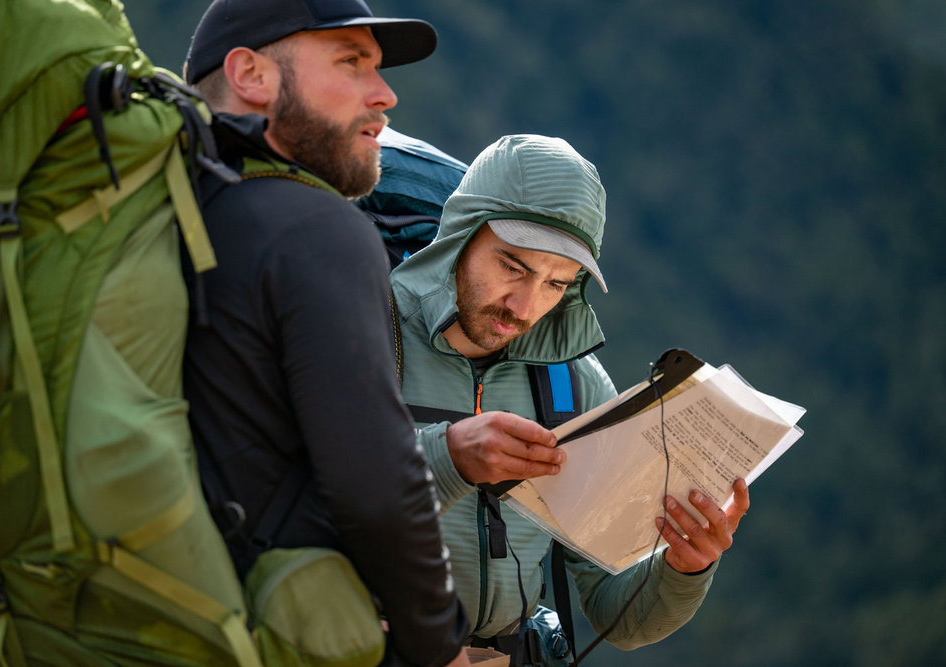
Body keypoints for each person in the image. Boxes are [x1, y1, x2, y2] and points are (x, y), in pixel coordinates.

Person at [180, 1, 469, 665]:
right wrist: (440, 644)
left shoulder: (169, 209)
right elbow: (379, 484)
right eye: (351, 62)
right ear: (251, 73)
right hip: (263, 629)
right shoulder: (315, 229)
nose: (386, 93)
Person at [390, 134, 751, 665]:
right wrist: (449, 457)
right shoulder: (366, 331)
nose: (524, 305)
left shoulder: (572, 383)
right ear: (459, 234)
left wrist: (683, 567)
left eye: (557, 284)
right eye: (512, 267)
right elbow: (305, 494)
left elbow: (616, 615)